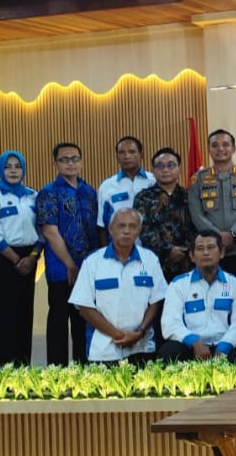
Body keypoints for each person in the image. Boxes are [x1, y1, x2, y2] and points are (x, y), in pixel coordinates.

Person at [69, 208, 167, 363]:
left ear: (139, 230)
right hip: (103, 350)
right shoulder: (93, 262)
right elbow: (84, 306)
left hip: (142, 346)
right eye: (121, 226)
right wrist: (116, 334)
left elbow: (156, 301)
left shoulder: (150, 259)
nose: (126, 231)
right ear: (110, 229)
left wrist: (140, 332)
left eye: (132, 226)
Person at [0, 150, 44, 369]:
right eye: (8, 166)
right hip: (0, 259)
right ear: (0, 169)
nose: (13, 170)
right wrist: (17, 260)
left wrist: (32, 257)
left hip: (29, 259)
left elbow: (42, 231)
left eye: (18, 166)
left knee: (22, 314)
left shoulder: (33, 196)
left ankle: (21, 368)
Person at [36, 142, 100, 365]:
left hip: (88, 268)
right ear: (55, 163)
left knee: (84, 317)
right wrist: (70, 264)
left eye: (75, 159)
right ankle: (58, 370)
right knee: (59, 320)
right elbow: (49, 232)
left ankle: (83, 367)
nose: (70, 163)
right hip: (61, 268)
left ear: (81, 162)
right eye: (65, 159)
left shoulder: (89, 191)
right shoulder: (48, 193)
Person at [157, 230, 236, 362]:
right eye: (200, 248)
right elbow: (170, 322)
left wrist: (225, 346)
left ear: (222, 252)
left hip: (225, 344)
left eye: (211, 247)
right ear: (192, 256)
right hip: (190, 346)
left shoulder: (235, 284)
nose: (206, 253)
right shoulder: (178, 284)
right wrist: (193, 342)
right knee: (169, 352)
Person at [188, 128, 236, 284]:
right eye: (215, 145)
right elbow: (196, 214)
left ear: (233, 148)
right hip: (209, 250)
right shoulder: (198, 179)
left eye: (225, 145)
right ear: (209, 149)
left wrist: (234, 234)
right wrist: (217, 237)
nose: (220, 149)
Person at [134, 147, 195, 281]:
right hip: (156, 263)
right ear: (153, 170)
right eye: (160, 166)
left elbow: (197, 226)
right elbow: (143, 229)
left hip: (188, 263)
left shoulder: (190, 196)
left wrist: (186, 250)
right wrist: (168, 250)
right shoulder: (143, 197)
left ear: (179, 168)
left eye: (171, 165)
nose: (165, 170)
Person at [96, 135, 155, 240]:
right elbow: (102, 227)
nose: (126, 156)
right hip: (119, 246)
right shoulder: (107, 186)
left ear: (141, 155)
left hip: (151, 245)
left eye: (131, 152)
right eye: (122, 153)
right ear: (117, 157)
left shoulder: (154, 181)